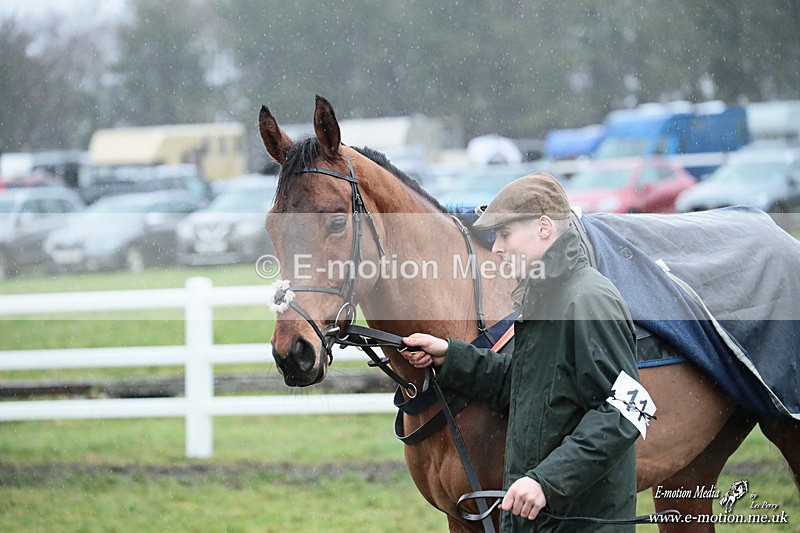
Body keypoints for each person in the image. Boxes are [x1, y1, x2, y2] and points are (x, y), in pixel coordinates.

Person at [402, 173, 643, 532]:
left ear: (544, 228)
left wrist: (545, 481)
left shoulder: (588, 300)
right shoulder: (546, 299)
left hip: (577, 521)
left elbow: (624, 413)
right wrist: (449, 356)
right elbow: (520, 384)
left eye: (505, 234)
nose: (497, 248)